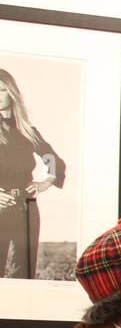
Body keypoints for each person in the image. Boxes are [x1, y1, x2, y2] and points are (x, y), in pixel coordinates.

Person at [0, 69, 66, 280]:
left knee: (25, 276)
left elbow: (54, 160)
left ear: (12, 93)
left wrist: (45, 182)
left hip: (26, 209)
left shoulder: (28, 132)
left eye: (1, 90)